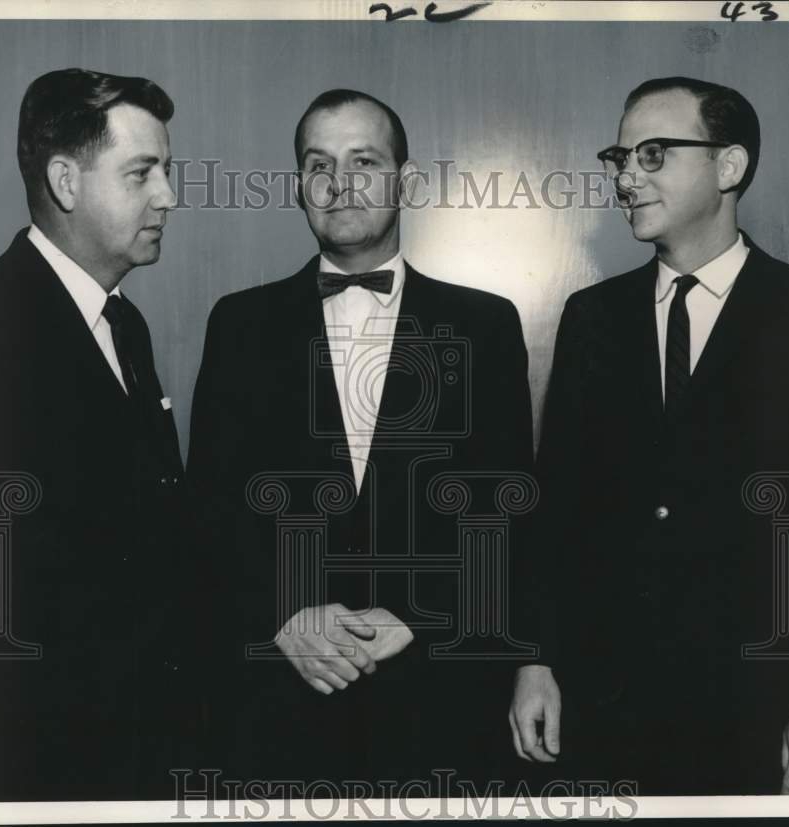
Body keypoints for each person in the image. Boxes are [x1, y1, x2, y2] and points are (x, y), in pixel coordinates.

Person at [509, 77, 789, 795]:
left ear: (729, 166)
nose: (625, 177)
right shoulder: (592, 317)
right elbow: (556, 512)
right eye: (620, 157)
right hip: (606, 707)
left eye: (652, 155)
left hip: (766, 712)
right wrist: (536, 660)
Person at [189, 88, 534, 789]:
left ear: (405, 181)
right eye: (318, 165)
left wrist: (423, 614)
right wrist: (280, 616)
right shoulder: (239, 324)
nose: (339, 183)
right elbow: (209, 508)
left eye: (363, 161)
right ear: (299, 188)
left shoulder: (486, 325)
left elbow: (508, 509)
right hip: (277, 704)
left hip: (438, 698)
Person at [0, 68, 200, 800]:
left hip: (134, 751)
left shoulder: (122, 322)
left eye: (165, 171)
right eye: (143, 173)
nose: (168, 195)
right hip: (46, 771)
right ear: (66, 181)